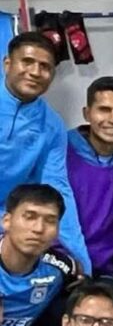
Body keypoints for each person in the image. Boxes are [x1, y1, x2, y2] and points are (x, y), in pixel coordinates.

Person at [0, 32, 92, 272]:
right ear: (7, 64)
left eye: (45, 67)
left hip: (9, 225)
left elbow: (56, 188)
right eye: (27, 62)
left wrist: (80, 260)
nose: (35, 72)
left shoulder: (51, 125)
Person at [66, 76, 113, 278]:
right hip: (60, 262)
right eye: (104, 110)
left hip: (109, 269)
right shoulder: (60, 149)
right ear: (87, 113)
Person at [0, 184, 79, 326]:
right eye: (30, 217)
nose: (39, 229)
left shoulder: (61, 268)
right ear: (6, 221)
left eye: (50, 221)